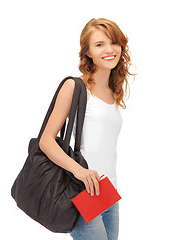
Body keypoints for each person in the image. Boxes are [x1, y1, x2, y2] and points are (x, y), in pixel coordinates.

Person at [39, 18, 135, 240]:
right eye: (99, 44)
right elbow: (46, 141)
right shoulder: (75, 86)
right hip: (83, 190)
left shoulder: (113, 90)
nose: (109, 50)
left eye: (114, 43)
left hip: (109, 191)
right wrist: (79, 171)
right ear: (88, 51)